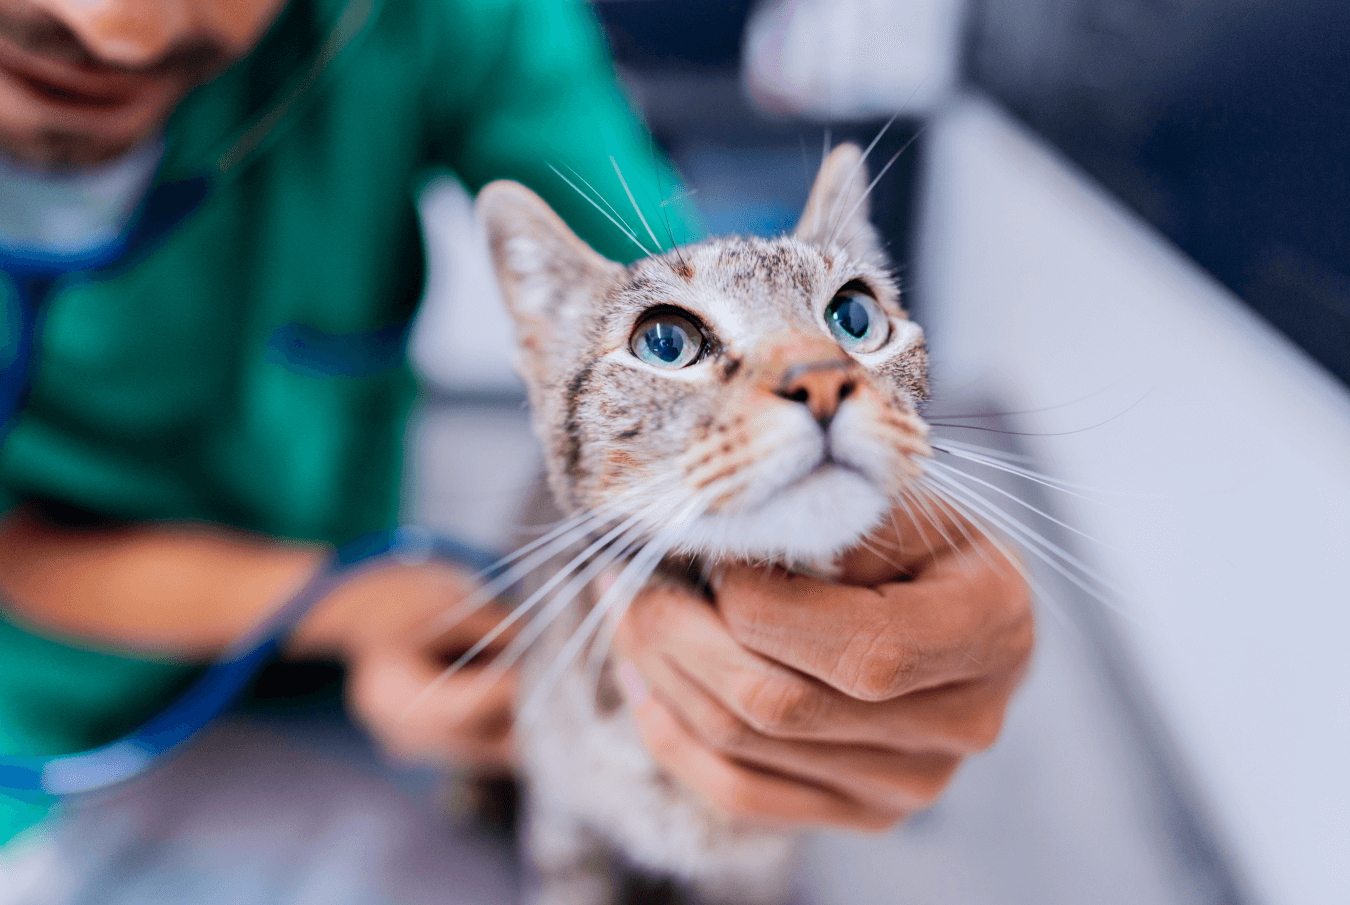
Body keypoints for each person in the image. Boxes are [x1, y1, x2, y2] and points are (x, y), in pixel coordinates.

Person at [0, 0, 1032, 856]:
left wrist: (901, 577)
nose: (118, 26)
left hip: (349, 698)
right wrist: (340, 602)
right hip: (43, 725)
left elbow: (673, 291)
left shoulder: (421, 20)